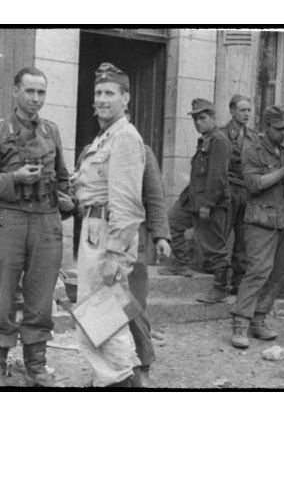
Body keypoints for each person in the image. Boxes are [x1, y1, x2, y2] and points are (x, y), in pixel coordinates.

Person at [0, 67, 74, 386]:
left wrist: (67, 197)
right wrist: (15, 179)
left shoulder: (52, 131)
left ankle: (36, 365)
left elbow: (62, 178)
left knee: (41, 296)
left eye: (41, 92)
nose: (35, 98)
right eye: (29, 91)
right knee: (1, 295)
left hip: (46, 220)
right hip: (9, 218)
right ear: (15, 92)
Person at [72, 62, 145, 388]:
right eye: (98, 93)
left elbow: (127, 204)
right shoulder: (106, 137)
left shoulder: (126, 137)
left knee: (105, 314)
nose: (102, 99)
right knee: (96, 314)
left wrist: (115, 254)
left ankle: (118, 382)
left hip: (108, 232)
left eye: (110, 93)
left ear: (125, 99)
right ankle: (108, 380)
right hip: (95, 227)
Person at [229, 105, 284, 348]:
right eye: (279, 129)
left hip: (283, 220)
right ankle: (240, 322)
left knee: (278, 273)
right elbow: (254, 184)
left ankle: (258, 320)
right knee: (258, 270)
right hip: (260, 220)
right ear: (266, 127)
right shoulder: (252, 151)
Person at [161, 99, 232, 294]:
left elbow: (218, 176)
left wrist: (208, 204)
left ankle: (220, 289)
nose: (198, 123)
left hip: (210, 203)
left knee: (214, 246)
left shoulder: (219, 140)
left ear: (213, 118)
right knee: (171, 221)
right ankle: (181, 263)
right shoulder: (206, 140)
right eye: (195, 119)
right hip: (193, 200)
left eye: (202, 118)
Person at [128, 144, 171, 386]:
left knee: (132, 304)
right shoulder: (95, 150)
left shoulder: (141, 152)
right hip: (100, 238)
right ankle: (110, 370)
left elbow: (155, 195)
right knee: (103, 304)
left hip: (133, 237)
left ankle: (143, 365)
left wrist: (161, 236)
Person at [220, 94, 261, 294]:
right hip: (227, 191)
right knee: (222, 237)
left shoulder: (254, 137)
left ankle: (237, 282)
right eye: (242, 110)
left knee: (243, 239)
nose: (246, 114)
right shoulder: (220, 134)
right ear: (232, 111)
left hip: (246, 191)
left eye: (248, 111)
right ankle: (219, 281)